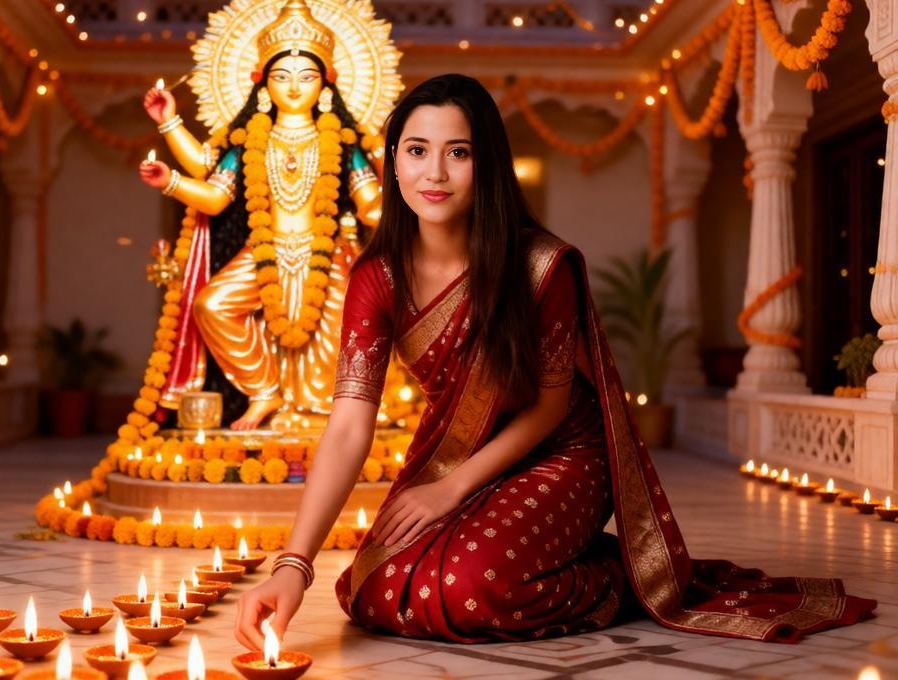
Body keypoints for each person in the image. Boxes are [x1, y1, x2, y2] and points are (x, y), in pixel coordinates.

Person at [234, 73, 876, 648]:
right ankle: (537, 552)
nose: (435, 173)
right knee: (375, 591)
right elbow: (349, 423)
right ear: (392, 165)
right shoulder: (377, 278)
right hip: (454, 448)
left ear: (487, 166)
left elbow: (549, 406)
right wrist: (295, 565)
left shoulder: (539, 266)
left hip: (562, 450)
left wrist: (451, 491)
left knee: (466, 590)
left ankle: (616, 577)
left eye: (458, 153)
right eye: (417, 151)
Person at [137, 0, 387, 430]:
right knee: (211, 305)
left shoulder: (343, 143)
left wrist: (405, 202)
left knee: (359, 317)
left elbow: (369, 205)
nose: (293, 87)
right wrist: (170, 175)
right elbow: (215, 194)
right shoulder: (250, 140)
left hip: (327, 255)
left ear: (326, 85)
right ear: (262, 84)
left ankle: (341, 409)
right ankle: (264, 392)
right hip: (264, 251)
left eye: (306, 77)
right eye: (281, 76)